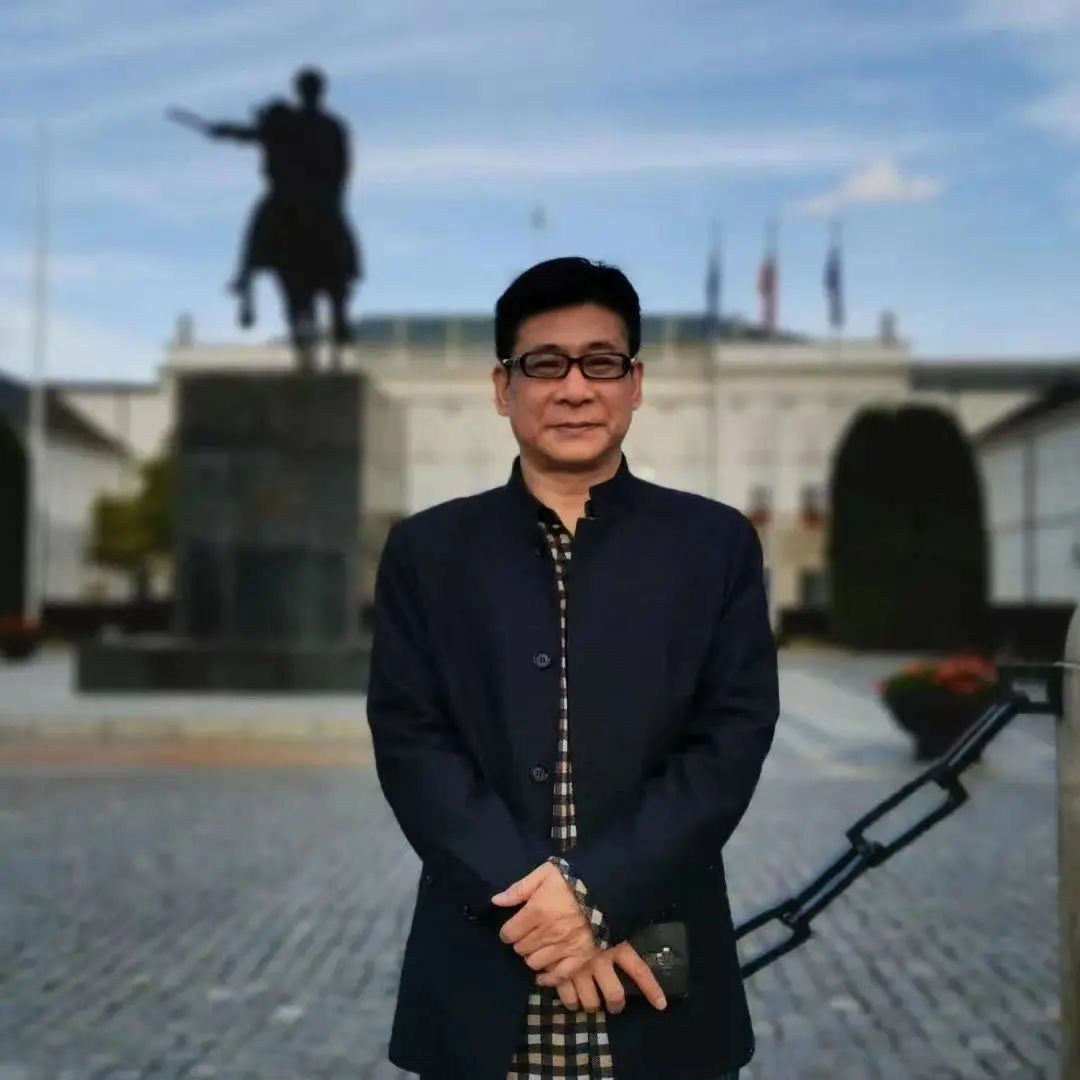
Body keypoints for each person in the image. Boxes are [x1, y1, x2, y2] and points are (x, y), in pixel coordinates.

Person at [367, 257, 779, 1079]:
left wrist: (596, 897)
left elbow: (728, 742)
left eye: (601, 363)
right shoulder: (428, 552)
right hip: (483, 960)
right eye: (546, 364)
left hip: (657, 952)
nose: (575, 388)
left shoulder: (714, 545)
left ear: (635, 383)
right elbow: (413, 742)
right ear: (503, 387)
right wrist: (543, 907)